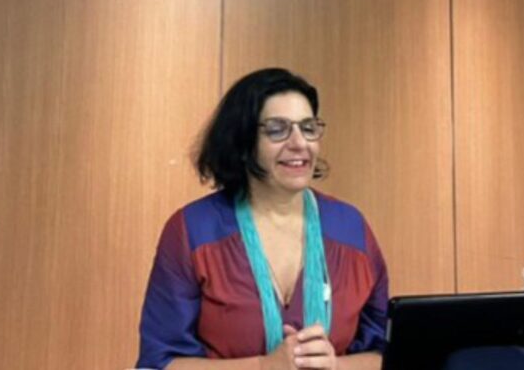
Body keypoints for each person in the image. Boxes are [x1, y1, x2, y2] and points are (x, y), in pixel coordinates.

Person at [136, 68, 388, 369]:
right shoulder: (192, 230)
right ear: (243, 143)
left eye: (308, 128)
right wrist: (263, 367)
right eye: (277, 129)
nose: (299, 143)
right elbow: (160, 362)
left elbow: (385, 355)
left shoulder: (351, 228)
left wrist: (336, 366)